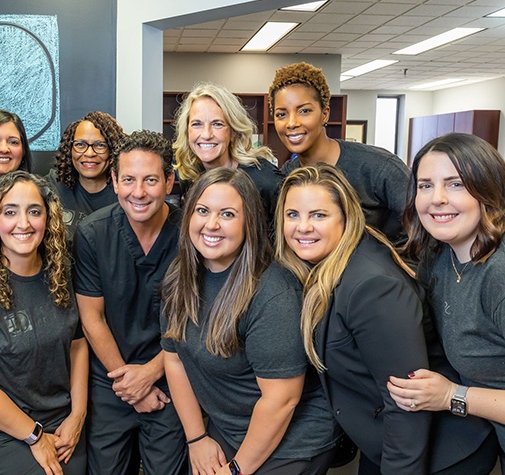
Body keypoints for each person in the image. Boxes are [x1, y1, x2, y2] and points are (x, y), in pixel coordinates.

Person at [161, 167, 339, 475]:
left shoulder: (272, 291)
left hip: (290, 441)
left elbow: (281, 401)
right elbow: (175, 359)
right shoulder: (181, 276)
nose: (211, 224)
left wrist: (236, 470)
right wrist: (197, 439)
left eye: (228, 214)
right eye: (202, 211)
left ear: (249, 224)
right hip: (229, 429)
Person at [276, 163, 430, 474]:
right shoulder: (330, 264)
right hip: (379, 441)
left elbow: (407, 402)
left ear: (345, 218)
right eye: (292, 215)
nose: (302, 227)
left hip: (423, 453)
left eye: (319, 215)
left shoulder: (372, 286)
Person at [0, 171, 87, 475]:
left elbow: (77, 345)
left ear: (48, 219)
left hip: (59, 422)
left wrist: (78, 414)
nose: (23, 223)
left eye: (34, 211)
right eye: (10, 212)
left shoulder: (59, 275)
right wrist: (33, 435)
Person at [73, 130, 188, 475]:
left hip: (171, 378)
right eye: (128, 180)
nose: (138, 192)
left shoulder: (190, 235)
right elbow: (92, 319)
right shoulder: (93, 233)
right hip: (111, 381)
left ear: (169, 181)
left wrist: (151, 374)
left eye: (151, 180)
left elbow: (195, 319)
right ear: (114, 181)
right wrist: (129, 386)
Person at [388, 133, 505, 460]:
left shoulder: (498, 274)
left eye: (455, 184)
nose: (436, 198)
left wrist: (453, 396)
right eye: (425, 185)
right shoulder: (439, 256)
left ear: (488, 190)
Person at [269, 62, 409, 244]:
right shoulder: (289, 174)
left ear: (325, 114)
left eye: (304, 111)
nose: (291, 123)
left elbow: (424, 230)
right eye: (282, 114)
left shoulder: (379, 167)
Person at [173, 82, 284, 227]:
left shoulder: (265, 181)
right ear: (187, 131)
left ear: (233, 132)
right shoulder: (191, 175)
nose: (206, 134)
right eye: (197, 124)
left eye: (217, 124)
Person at [46, 111, 125, 238]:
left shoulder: (126, 192)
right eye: (80, 145)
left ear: (113, 150)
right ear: (69, 150)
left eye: (100, 145)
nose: (89, 153)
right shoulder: (53, 185)